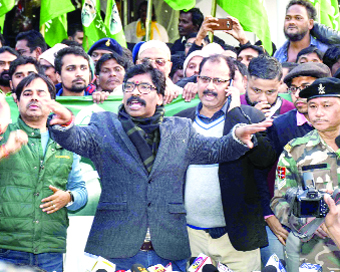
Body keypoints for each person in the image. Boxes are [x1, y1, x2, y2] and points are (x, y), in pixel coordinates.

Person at [45, 63, 272, 271]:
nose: (135, 92)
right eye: (130, 86)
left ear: (162, 96)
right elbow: (77, 139)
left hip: (168, 250)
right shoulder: (105, 124)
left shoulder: (180, 129)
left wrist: (237, 137)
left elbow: (215, 150)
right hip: (115, 249)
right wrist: (66, 125)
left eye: (145, 87)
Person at [176, 55, 275, 271]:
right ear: (197, 80)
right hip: (191, 237)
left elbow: (265, 160)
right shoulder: (181, 121)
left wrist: (236, 113)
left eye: (219, 81)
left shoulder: (250, 116)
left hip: (237, 239)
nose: (210, 87)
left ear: (231, 85)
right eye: (205, 79)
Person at [0, 73, 87, 272]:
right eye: (27, 93)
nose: (34, 98)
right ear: (16, 100)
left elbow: (81, 190)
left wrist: (69, 197)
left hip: (50, 251)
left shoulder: (66, 140)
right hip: (6, 249)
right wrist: (5, 150)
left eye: (41, 93)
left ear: (52, 102)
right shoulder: (4, 133)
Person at [263, 62, 330, 265]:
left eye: (305, 87)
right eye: (293, 88)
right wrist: (269, 215)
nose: (297, 94)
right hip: (291, 227)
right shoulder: (279, 126)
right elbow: (262, 175)